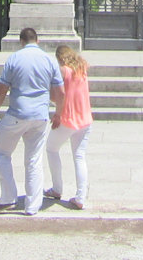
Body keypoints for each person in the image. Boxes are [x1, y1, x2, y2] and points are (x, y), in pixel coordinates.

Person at [0, 26, 64, 215]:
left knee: (0, 150)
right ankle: (32, 206)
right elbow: (60, 92)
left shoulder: (14, 58)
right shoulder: (48, 60)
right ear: (37, 41)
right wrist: (58, 113)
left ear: (21, 41)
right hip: (40, 116)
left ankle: (8, 197)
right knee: (34, 160)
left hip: (17, 113)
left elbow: (2, 89)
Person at [43, 44, 93, 211]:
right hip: (85, 118)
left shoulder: (64, 70)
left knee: (51, 148)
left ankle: (57, 188)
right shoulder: (82, 68)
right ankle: (80, 197)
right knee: (79, 156)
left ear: (60, 58)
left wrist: (56, 112)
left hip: (68, 117)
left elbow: (59, 94)